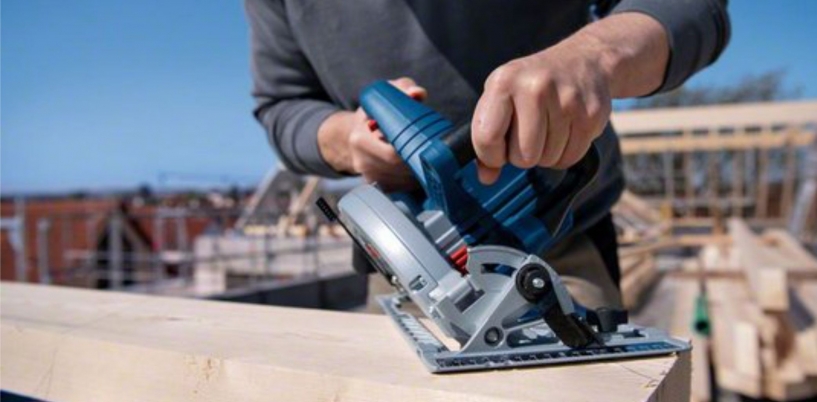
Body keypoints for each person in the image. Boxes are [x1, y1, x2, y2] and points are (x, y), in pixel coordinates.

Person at [245, 0, 730, 310]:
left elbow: (693, 9)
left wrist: (594, 56)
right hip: (403, 259)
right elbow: (282, 104)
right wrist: (345, 139)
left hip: (552, 252)